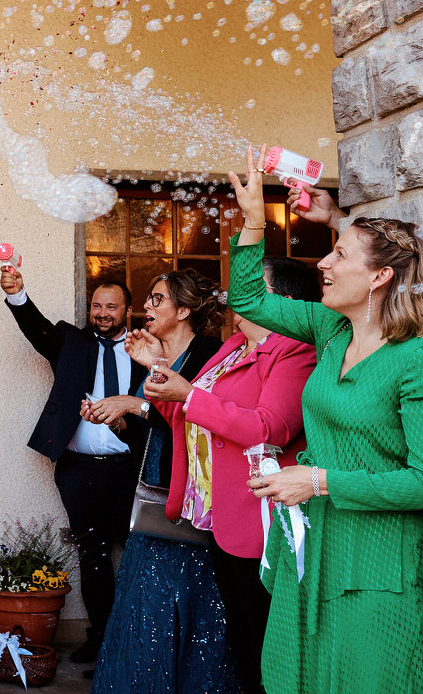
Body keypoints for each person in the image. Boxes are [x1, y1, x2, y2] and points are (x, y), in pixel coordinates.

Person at [231, 147, 423, 694]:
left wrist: (317, 480)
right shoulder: (328, 328)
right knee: (300, 675)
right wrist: (252, 223)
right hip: (313, 542)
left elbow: (421, 481)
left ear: (382, 276)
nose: (322, 263)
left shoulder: (414, 359)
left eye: (339, 255)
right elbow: (246, 296)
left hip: (378, 558)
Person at [137, 258, 319, 694]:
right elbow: (189, 415)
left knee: (262, 636)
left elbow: (267, 428)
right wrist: (158, 371)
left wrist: (188, 392)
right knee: (241, 633)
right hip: (220, 514)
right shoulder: (235, 344)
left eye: (254, 286)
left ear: (284, 303)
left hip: (258, 516)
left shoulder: (295, 350)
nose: (239, 294)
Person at [86, 269, 228, 693]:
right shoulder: (158, 355)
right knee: (144, 606)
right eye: (148, 299)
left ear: (183, 310)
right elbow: (156, 427)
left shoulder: (210, 354)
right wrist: (116, 417)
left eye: (157, 299)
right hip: (152, 493)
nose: (146, 306)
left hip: (191, 498)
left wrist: (134, 403)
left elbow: (200, 419)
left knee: (188, 606)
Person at [0, 269, 146, 664]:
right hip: (79, 470)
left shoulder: (146, 349)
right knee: (93, 556)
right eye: (96, 306)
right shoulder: (72, 342)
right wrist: (18, 295)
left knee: (138, 555)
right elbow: (37, 329)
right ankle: (100, 639)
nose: (102, 313)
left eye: (111, 307)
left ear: (127, 311)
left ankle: (134, 642)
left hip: (132, 471)